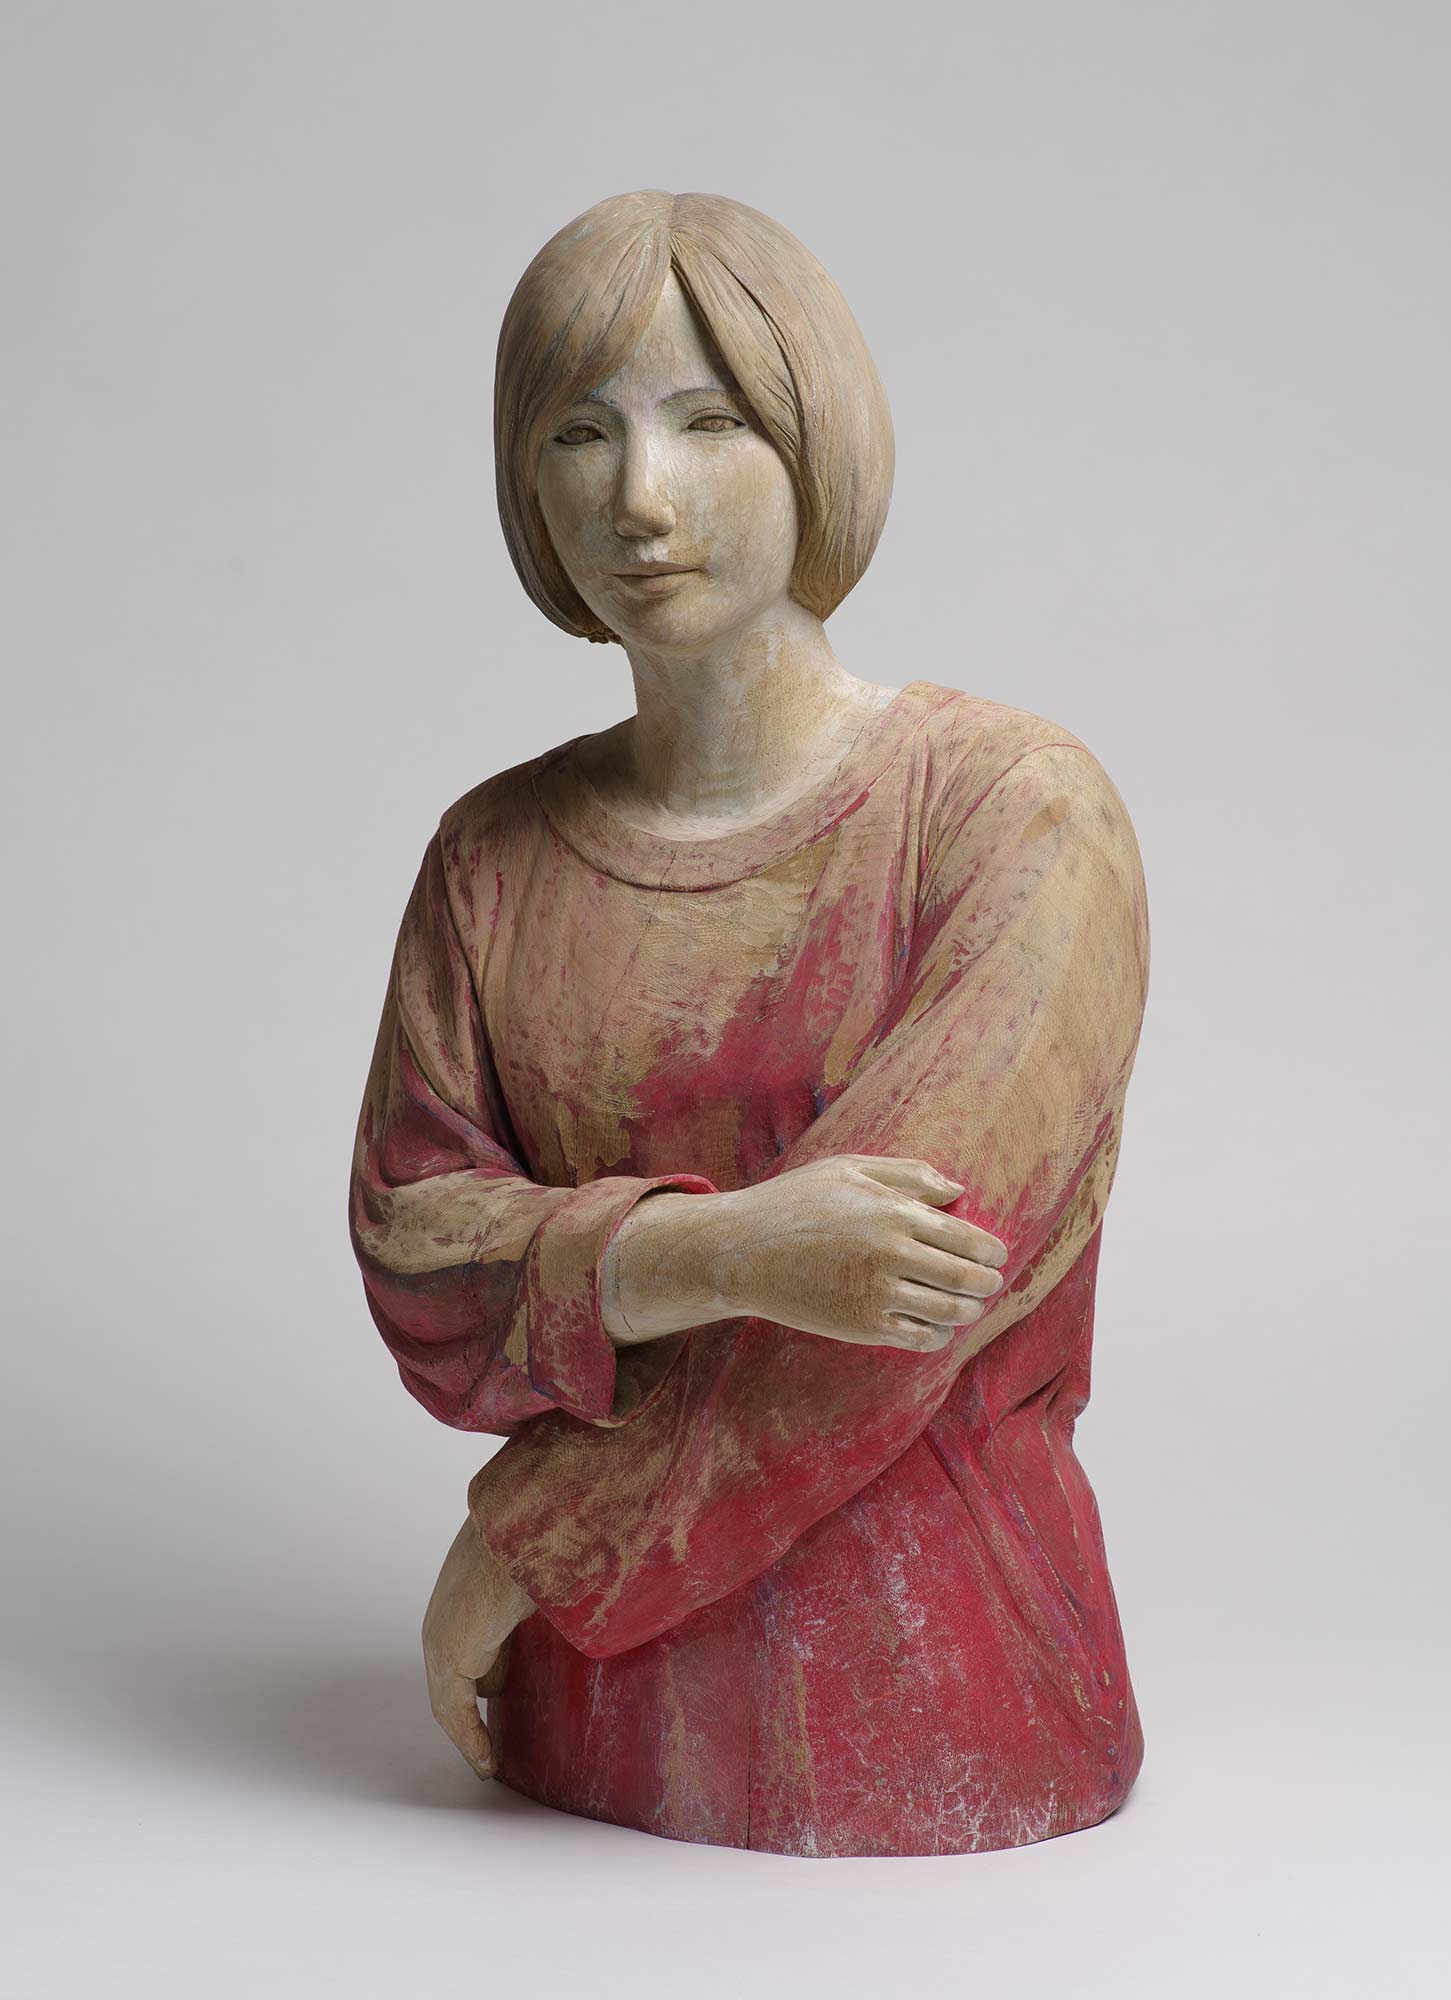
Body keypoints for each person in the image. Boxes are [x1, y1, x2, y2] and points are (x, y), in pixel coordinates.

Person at [349, 190, 1150, 1858]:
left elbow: (899, 1294)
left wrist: (520, 1550)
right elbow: (417, 1247)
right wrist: (722, 1250)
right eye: (581, 432)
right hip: (584, 1711)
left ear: (815, 438)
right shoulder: (492, 854)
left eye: (710, 422)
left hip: (946, 1697)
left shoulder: (1010, 810)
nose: (641, 497)